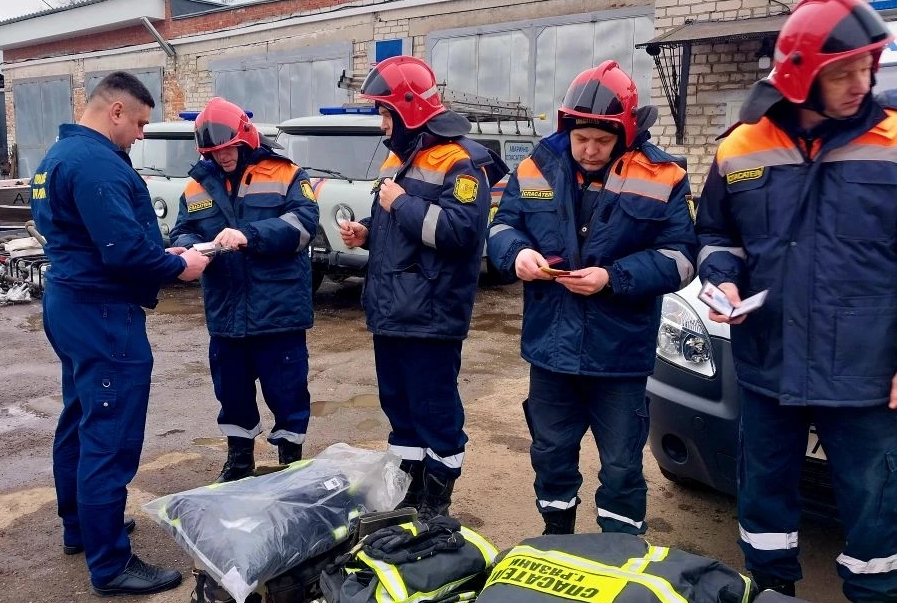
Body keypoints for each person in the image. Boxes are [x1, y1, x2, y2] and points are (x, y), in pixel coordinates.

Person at [695, 0, 897, 603]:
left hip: (864, 370)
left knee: (875, 504)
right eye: (843, 72)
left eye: (867, 68)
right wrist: (722, 281)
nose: (859, 83)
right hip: (769, 363)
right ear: (800, 76)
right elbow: (715, 236)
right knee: (763, 496)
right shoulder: (739, 147)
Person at [487, 60, 698, 537]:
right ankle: (556, 532)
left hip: (619, 356)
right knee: (551, 453)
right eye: (582, 139)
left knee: (622, 464)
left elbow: (684, 257)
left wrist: (612, 277)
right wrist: (515, 254)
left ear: (624, 131)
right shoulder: (535, 165)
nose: (590, 150)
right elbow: (501, 225)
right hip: (552, 350)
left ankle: (620, 550)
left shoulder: (663, 175)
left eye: (602, 141)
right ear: (567, 127)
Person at [31, 71, 211, 597]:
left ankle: (82, 528)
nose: (139, 134)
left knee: (81, 417)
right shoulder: (95, 165)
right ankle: (110, 564)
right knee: (108, 432)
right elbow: (123, 252)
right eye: (138, 123)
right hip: (102, 313)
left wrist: (164, 255)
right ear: (114, 112)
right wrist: (180, 266)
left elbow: (92, 240)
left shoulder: (57, 158)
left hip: (71, 302)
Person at [339, 55, 507, 520]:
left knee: (435, 411)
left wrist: (401, 204)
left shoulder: (461, 162)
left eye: (384, 112)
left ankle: (436, 503)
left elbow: (459, 235)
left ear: (409, 110)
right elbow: (399, 226)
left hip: (431, 315)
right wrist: (370, 231)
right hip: (393, 310)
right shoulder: (401, 157)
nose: (381, 123)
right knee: (400, 407)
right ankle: (409, 494)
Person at [170, 97, 319, 480]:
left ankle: (292, 460)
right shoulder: (196, 185)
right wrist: (188, 247)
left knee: (287, 391)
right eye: (214, 153)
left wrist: (249, 235)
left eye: (227, 149)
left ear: (245, 138)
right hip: (226, 311)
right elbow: (183, 227)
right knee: (231, 392)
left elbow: (304, 226)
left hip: (278, 310)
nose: (222, 158)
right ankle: (239, 460)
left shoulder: (286, 173)